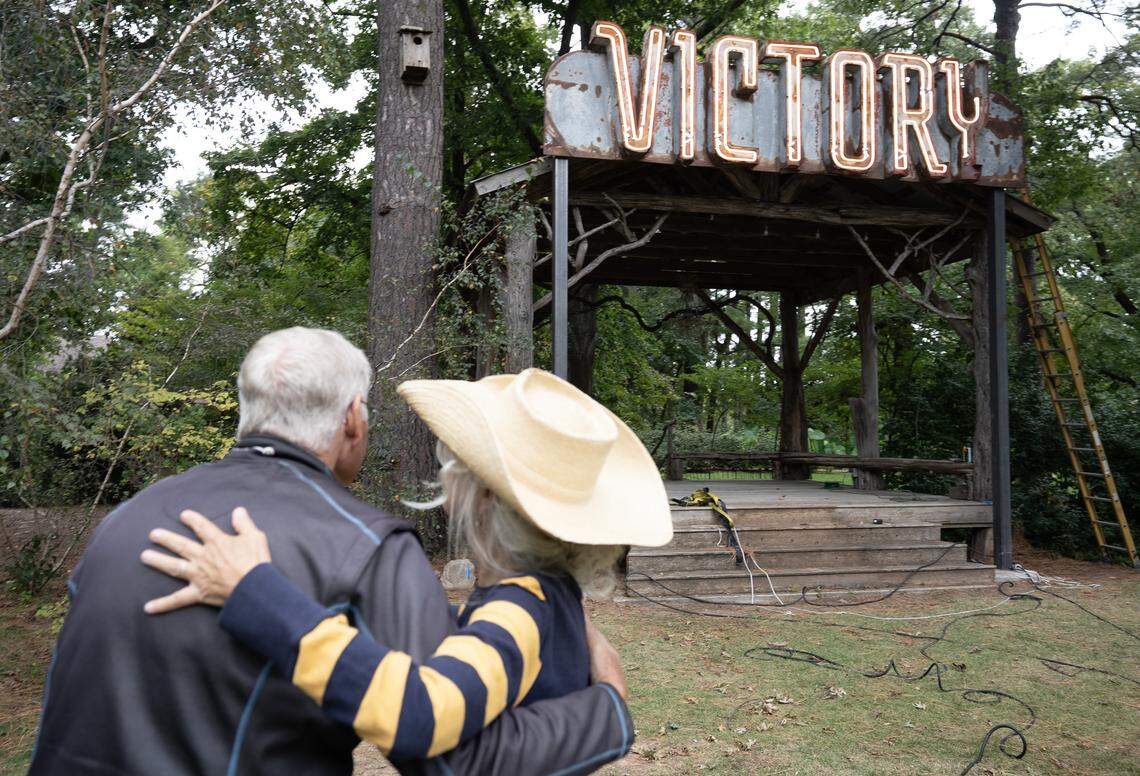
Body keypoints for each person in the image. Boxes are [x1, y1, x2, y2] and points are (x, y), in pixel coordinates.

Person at [30, 328, 635, 776]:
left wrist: (258, 593)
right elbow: (456, 758)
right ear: (352, 419)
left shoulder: (129, 517)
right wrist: (608, 712)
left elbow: (425, 709)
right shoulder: (373, 548)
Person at [140, 368, 674, 760]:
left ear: (482, 498)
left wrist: (256, 594)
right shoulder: (556, 594)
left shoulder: (515, 609)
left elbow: (421, 713)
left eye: (453, 476)